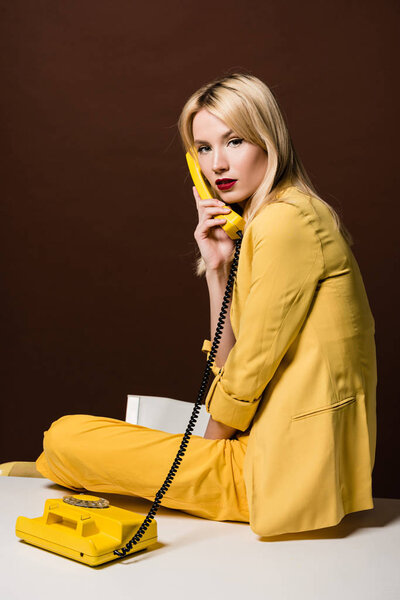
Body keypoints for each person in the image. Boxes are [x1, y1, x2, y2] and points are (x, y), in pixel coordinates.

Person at [35, 71, 377, 537]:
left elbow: (249, 367)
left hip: (271, 472)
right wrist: (218, 266)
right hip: (268, 452)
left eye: (234, 141)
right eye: (203, 148)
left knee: (64, 436)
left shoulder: (285, 222)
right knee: (84, 436)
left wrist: (205, 448)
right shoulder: (276, 220)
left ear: (268, 142)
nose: (218, 164)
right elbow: (230, 357)